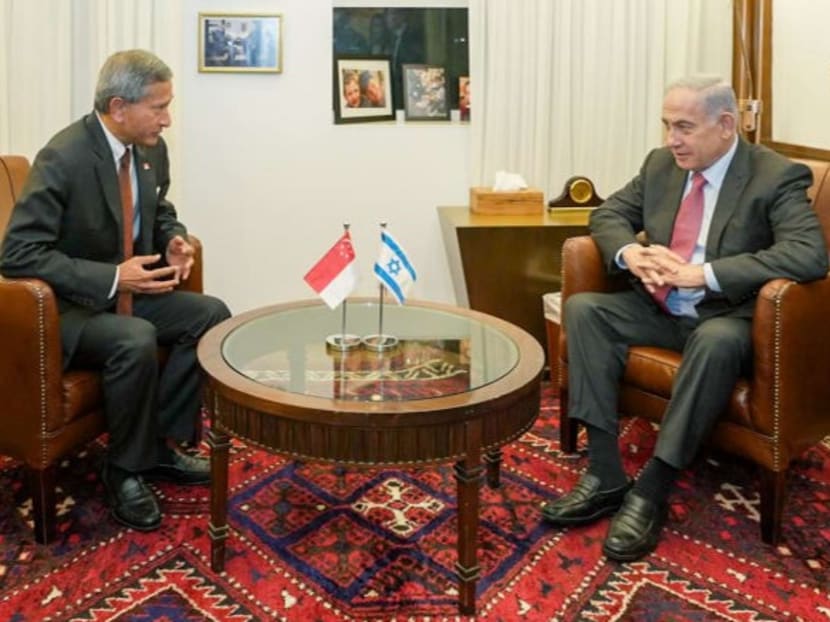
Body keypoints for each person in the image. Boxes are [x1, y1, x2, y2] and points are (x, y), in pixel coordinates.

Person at [541, 75, 828, 561]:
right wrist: (631, 253)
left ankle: (652, 488)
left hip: (729, 315)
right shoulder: (661, 165)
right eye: (666, 125)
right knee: (585, 309)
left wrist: (706, 274)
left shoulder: (775, 175)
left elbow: (808, 255)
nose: (671, 139)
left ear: (725, 125)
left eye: (684, 127)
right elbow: (607, 214)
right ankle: (606, 474)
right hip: (660, 307)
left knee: (715, 342)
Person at [0, 49, 232, 533]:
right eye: (159, 107)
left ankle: (160, 447)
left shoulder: (150, 148)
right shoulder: (63, 157)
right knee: (134, 337)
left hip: (130, 292)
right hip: (67, 309)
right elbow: (18, 253)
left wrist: (175, 238)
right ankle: (123, 470)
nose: (168, 119)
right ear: (119, 106)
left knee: (211, 314)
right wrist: (112, 278)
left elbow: (159, 207)